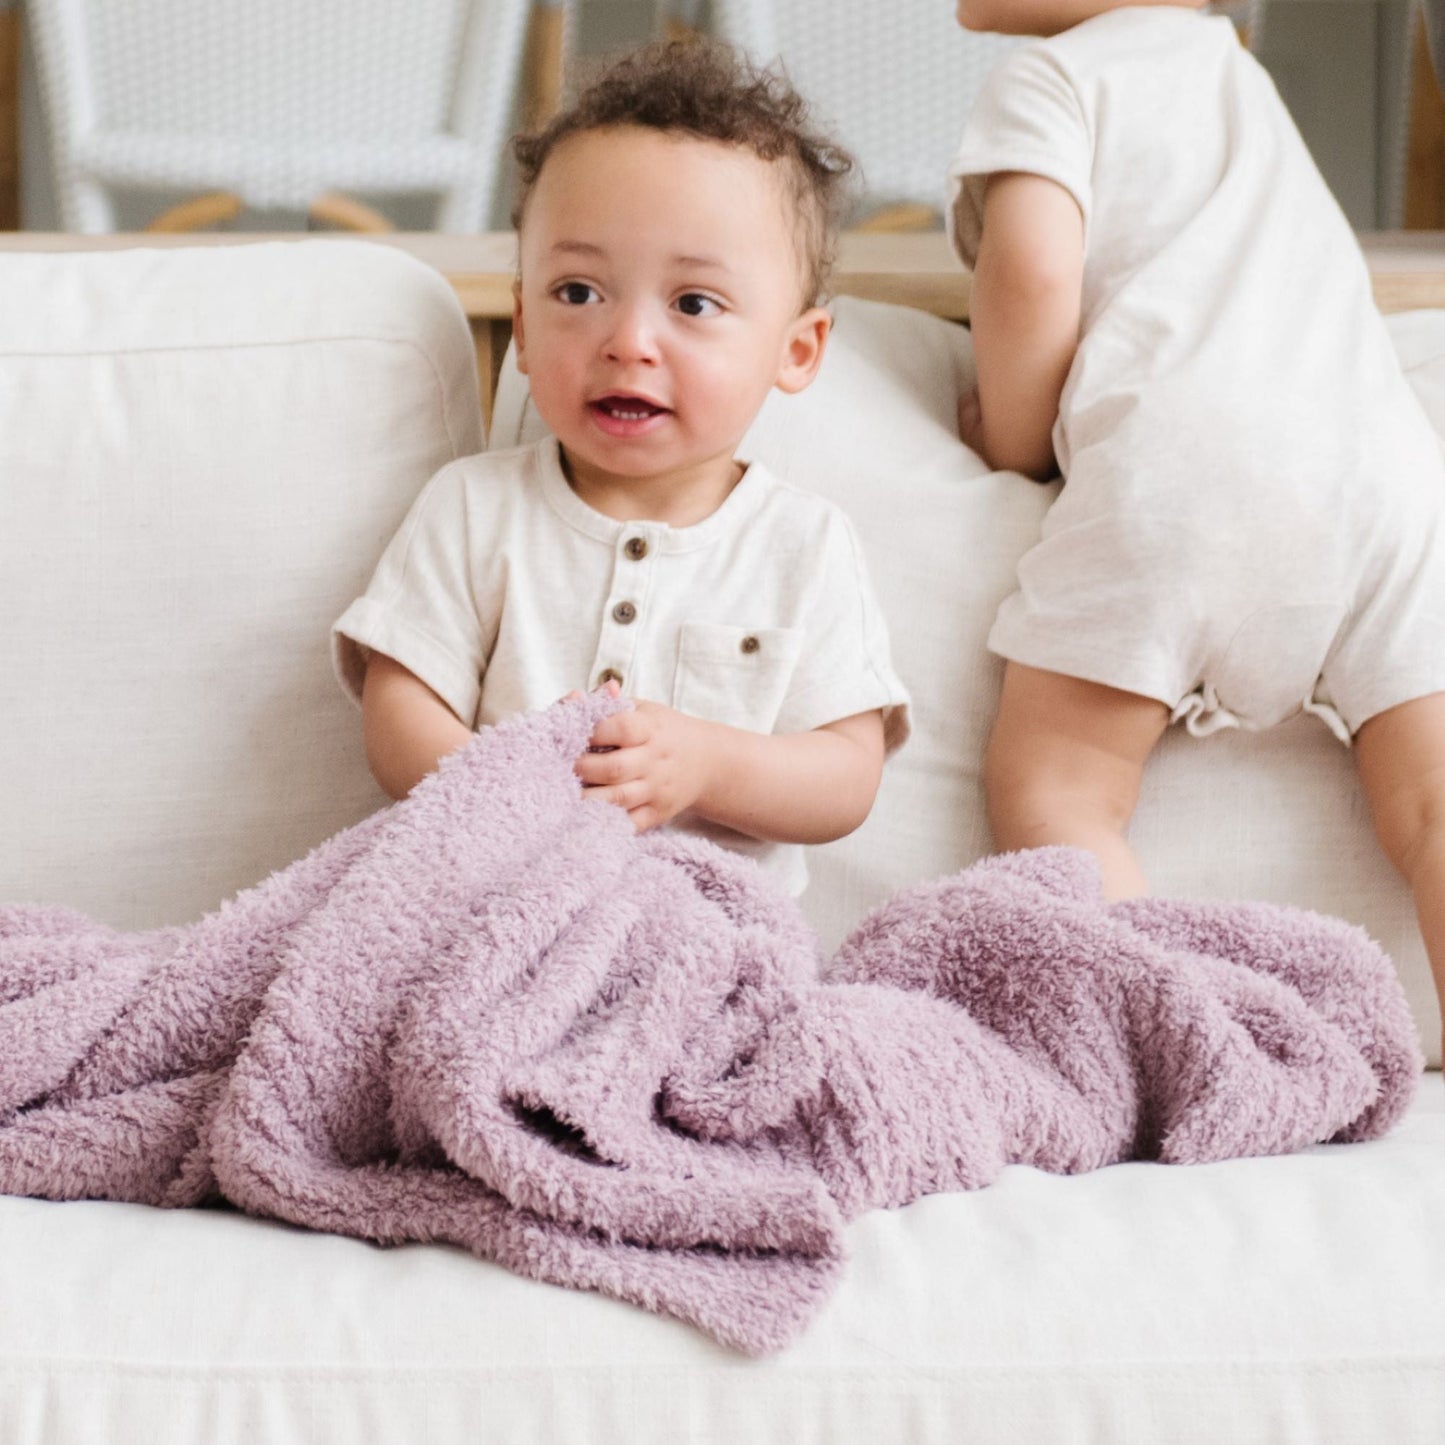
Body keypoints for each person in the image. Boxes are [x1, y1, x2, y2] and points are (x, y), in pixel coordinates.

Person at [948, 0, 1445, 1053]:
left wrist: (1013, 436)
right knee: (1434, 800)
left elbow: (1032, 269)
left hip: (1183, 470)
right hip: (1383, 476)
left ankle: (1189, 1048)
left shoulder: (1057, 79)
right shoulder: (1237, 81)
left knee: (1056, 782)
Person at [333, 40, 910, 896]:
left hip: (702, 933)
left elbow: (845, 777)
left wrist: (709, 765)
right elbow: (398, 711)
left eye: (692, 304)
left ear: (795, 350)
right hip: (495, 899)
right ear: (523, 325)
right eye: (578, 292)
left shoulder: (804, 543)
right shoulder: (475, 507)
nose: (628, 342)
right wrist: (512, 792)